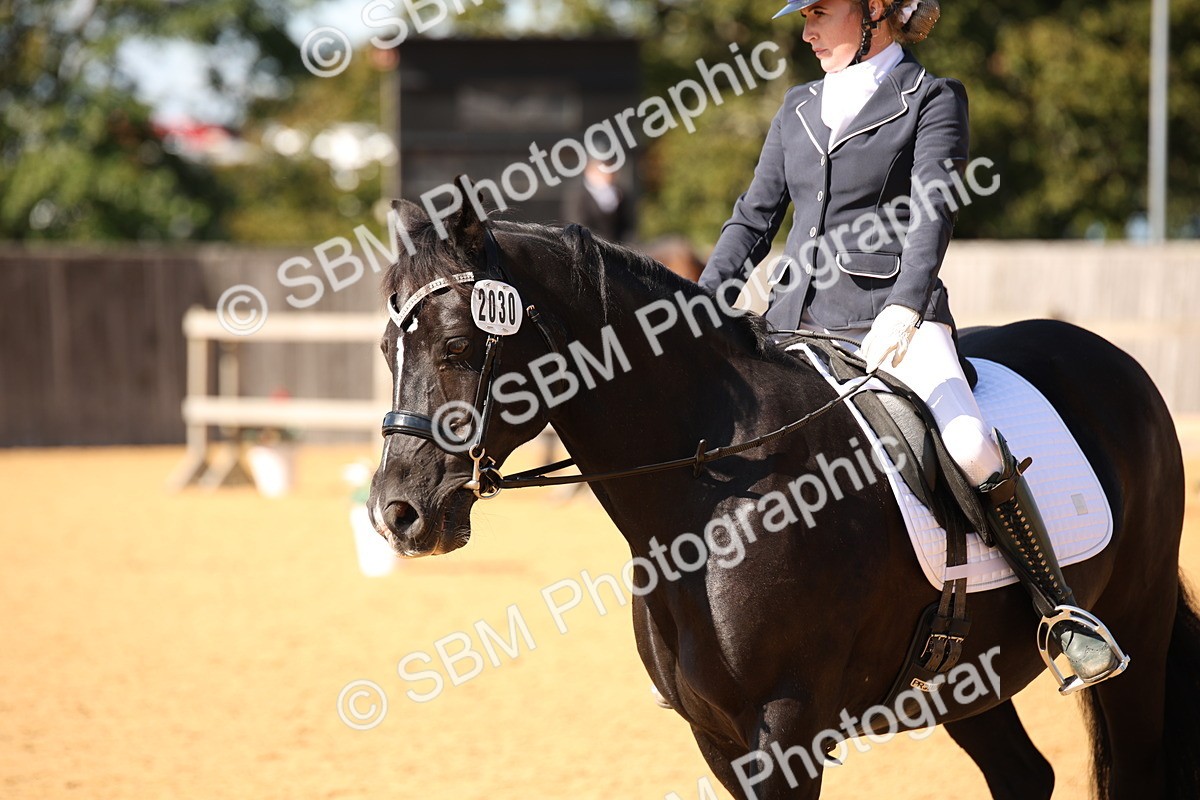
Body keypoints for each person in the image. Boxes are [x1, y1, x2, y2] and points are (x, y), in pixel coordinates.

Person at [699, 0, 1125, 691]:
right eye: (803, 15)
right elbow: (753, 218)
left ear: (875, 12)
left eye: (819, 12)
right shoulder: (798, 106)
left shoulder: (931, 98)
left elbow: (932, 211)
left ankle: (1060, 611)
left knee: (969, 443)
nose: (805, 30)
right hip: (792, 324)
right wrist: (701, 305)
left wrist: (904, 306)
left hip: (895, 322)